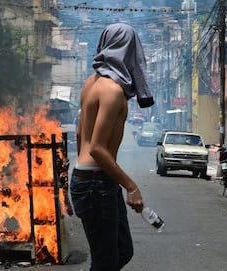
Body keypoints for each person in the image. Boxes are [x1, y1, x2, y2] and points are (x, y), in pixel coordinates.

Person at [69, 23, 154, 271]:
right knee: (105, 262)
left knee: (123, 251)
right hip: (95, 184)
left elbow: (79, 133)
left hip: (95, 180)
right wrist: (132, 186)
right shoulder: (112, 91)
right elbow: (96, 147)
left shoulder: (90, 83)